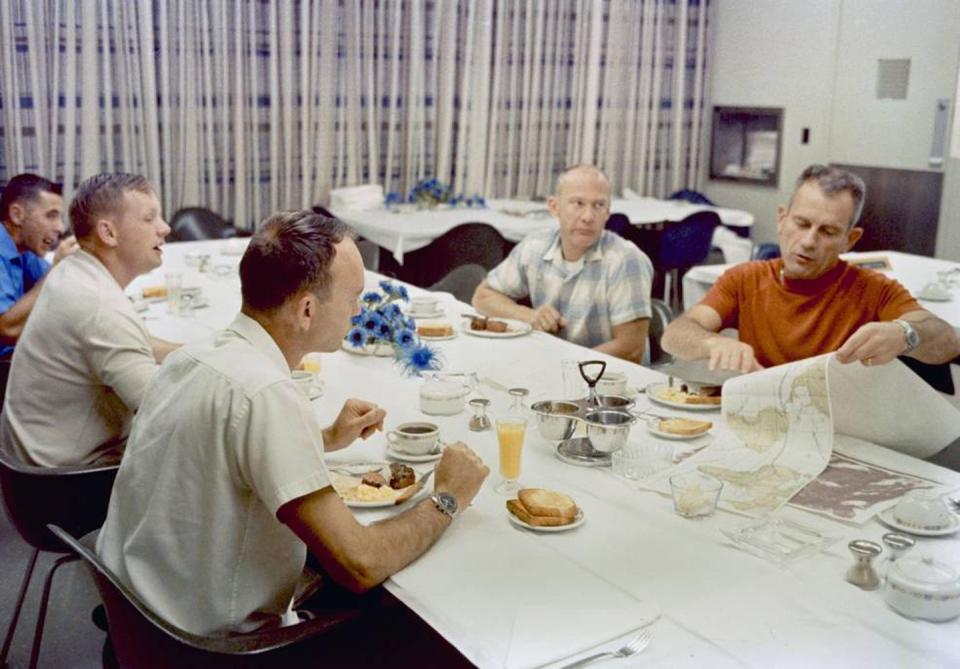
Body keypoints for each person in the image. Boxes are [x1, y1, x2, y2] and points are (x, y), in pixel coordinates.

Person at [96, 210, 489, 637]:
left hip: (139, 621)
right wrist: (447, 498)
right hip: (208, 648)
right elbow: (360, 563)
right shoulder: (267, 393)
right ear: (306, 309)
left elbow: (220, 450)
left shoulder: (192, 357)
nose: (358, 312)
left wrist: (322, 439)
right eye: (353, 298)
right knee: (417, 623)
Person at [662, 164, 960, 372]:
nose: (808, 242)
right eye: (801, 223)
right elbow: (674, 334)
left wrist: (906, 334)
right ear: (782, 219)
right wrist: (713, 344)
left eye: (828, 232)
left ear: (850, 239)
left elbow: (948, 341)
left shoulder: (873, 290)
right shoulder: (744, 279)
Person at [0, 173, 178, 466]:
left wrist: (199, 352)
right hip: (68, 484)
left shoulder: (75, 272)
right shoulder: (98, 306)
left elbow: (137, 342)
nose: (165, 228)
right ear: (108, 233)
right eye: (150, 218)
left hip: (39, 456)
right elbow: (166, 410)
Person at [471, 165, 654, 363]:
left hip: (610, 381)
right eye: (578, 203)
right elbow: (483, 296)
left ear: (608, 212)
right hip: (555, 369)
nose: (588, 217)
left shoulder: (625, 259)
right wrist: (529, 316)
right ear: (554, 207)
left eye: (598, 205)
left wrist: (563, 367)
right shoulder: (535, 246)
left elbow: (631, 349)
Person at [0, 173, 79, 356]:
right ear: (17, 215)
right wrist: (57, 269)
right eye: (51, 216)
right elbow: (6, 330)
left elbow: (60, 292)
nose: (60, 227)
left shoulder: (26, 250)